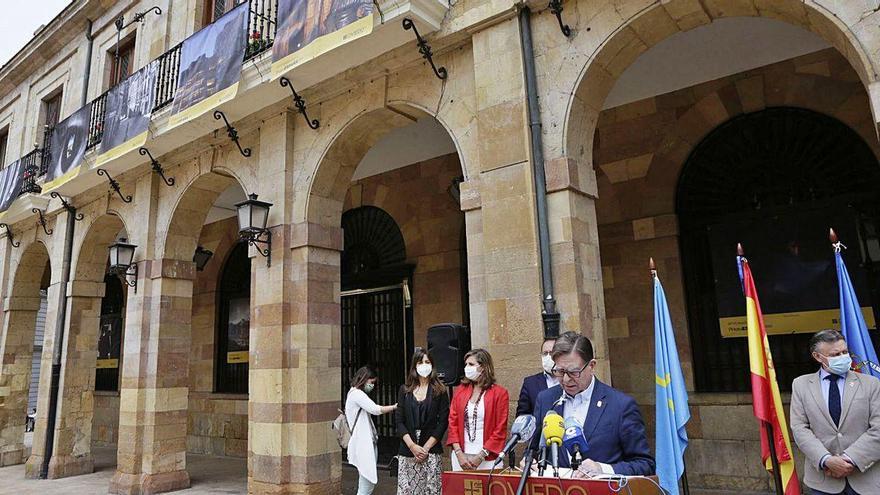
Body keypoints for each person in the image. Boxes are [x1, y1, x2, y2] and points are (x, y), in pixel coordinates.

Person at [531, 331, 654, 476]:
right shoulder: (545, 399)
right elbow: (533, 451)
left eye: (573, 372)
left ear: (592, 366)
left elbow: (645, 465)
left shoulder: (621, 406)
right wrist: (529, 462)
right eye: (559, 371)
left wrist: (603, 469)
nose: (565, 379)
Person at [790, 329, 880, 495]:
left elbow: (878, 428)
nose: (843, 357)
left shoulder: (871, 384)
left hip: (867, 478)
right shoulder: (800, 385)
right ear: (817, 356)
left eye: (845, 352)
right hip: (823, 481)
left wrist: (850, 459)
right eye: (835, 354)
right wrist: (826, 460)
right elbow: (800, 428)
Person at [395, 348, 450, 494]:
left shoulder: (440, 390)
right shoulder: (404, 390)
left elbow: (443, 422)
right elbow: (399, 422)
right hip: (408, 449)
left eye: (427, 362)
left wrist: (425, 449)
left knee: (431, 490)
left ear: (432, 365)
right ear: (414, 366)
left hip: (430, 449)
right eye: (420, 362)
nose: (424, 365)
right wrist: (412, 446)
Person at [447, 348, 509, 470]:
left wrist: (480, 456)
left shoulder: (500, 393)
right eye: (466, 364)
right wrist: (459, 453)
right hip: (461, 456)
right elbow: (452, 423)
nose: (467, 368)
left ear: (483, 367)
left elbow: (500, 428)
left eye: (471, 364)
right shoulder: (460, 391)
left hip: (488, 457)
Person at [345, 366, 397, 495]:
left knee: (366, 482)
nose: (372, 386)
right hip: (363, 444)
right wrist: (395, 407)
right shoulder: (357, 394)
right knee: (366, 483)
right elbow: (375, 409)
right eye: (371, 382)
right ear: (363, 379)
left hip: (365, 443)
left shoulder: (354, 393)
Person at [516, 337, 559, 416]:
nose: (549, 357)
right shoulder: (530, 383)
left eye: (552, 353)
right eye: (545, 353)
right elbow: (522, 416)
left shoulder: (569, 380)